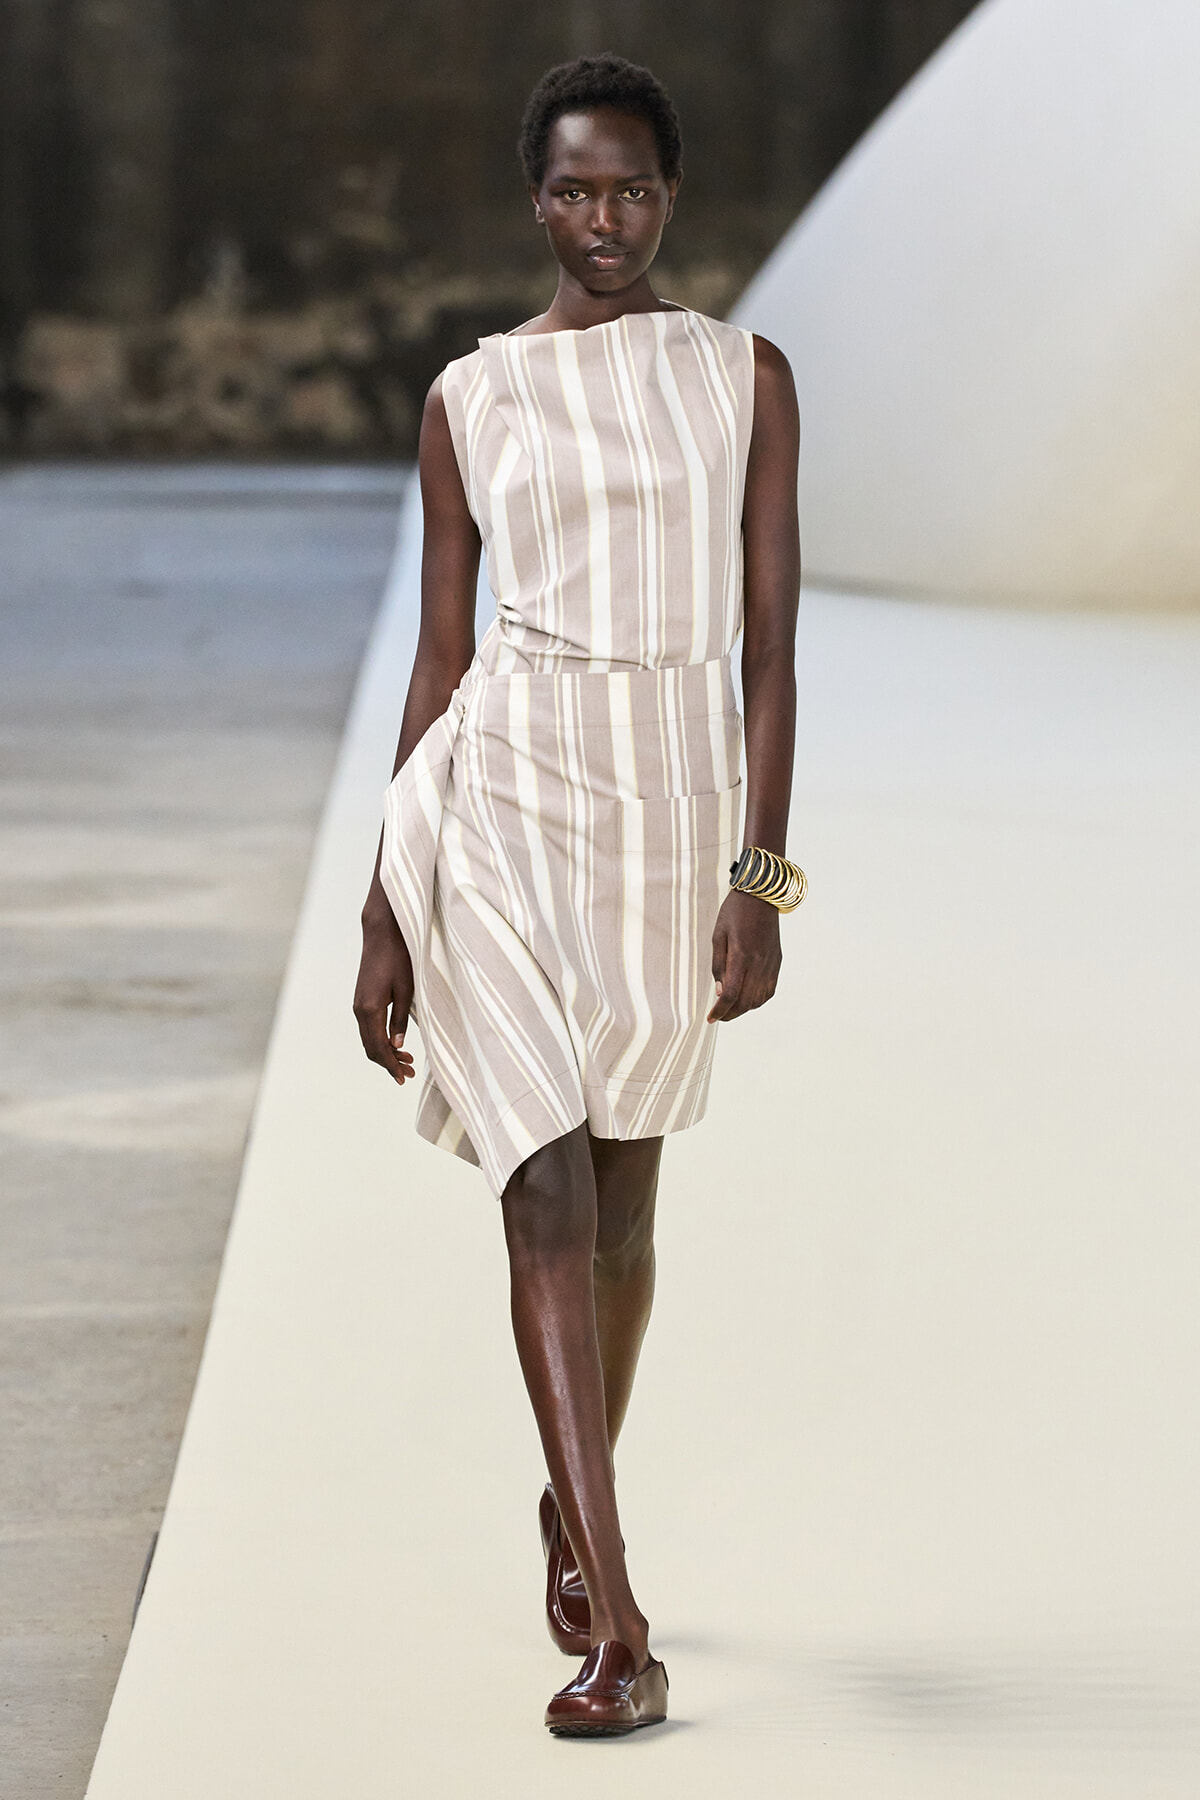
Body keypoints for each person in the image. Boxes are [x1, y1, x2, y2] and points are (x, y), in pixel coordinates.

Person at [354, 52, 801, 1737]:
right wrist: (385, 909)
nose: (601, 219)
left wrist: (760, 879)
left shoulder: (743, 377)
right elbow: (441, 651)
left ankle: (570, 1487)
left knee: (623, 1208)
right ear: (534, 201)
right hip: (504, 796)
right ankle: (619, 1621)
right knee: (540, 1191)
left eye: (631, 189)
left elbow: (773, 655)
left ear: (669, 196)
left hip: (672, 811)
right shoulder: (469, 396)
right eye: (573, 191)